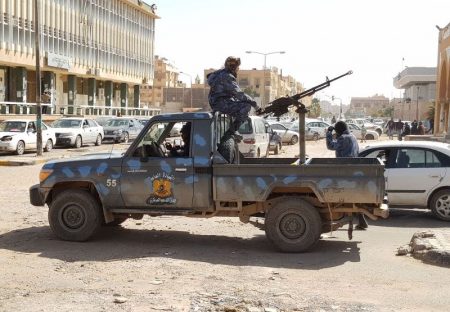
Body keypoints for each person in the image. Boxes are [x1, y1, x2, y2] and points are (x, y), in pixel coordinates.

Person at [207, 56, 262, 139]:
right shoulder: (227, 76)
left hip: (215, 102)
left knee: (236, 102)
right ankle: (231, 131)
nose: (238, 69)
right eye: (237, 67)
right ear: (233, 67)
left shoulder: (217, 73)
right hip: (221, 104)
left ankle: (230, 129)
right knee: (246, 106)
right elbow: (239, 94)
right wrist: (256, 105)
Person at [326, 121, 367, 229]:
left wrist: (329, 133)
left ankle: (338, 218)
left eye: (336, 131)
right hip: (354, 170)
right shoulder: (352, 136)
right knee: (353, 197)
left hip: (345, 171)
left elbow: (330, 146)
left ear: (338, 130)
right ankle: (362, 221)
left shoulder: (343, 138)